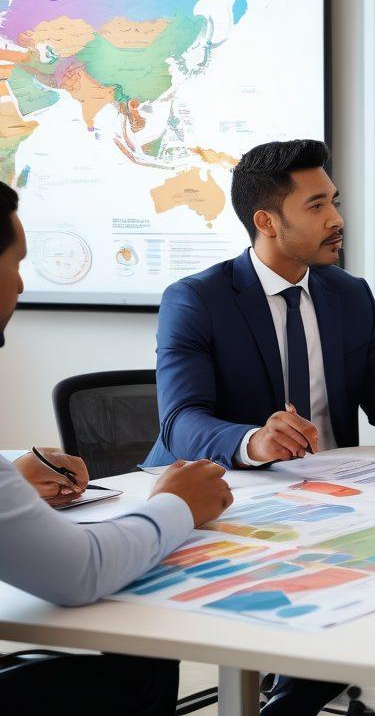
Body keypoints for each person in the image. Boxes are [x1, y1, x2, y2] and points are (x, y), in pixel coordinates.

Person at [144, 139, 375, 715]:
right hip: (230, 501)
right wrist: (253, 441)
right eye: (316, 206)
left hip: (332, 505)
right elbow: (180, 420)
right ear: (267, 221)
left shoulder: (349, 294)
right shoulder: (197, 299)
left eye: (333, 201)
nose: (336, 218)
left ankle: (297, 696)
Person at [0, 180, 233, 716]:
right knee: (143, 666)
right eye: (15, 264)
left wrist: (12, 475)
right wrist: (176, 503)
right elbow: (80, 571)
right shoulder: (194, 297)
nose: (21, 285)